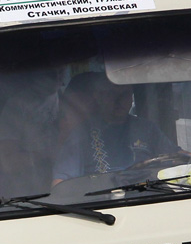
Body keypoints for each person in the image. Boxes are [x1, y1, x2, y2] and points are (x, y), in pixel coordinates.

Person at [51, 70, 182, 184]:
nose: (119, 100)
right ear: (99, 96)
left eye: (125, 94)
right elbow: (61, 182)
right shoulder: (81, 134)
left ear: (131, 97)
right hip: (103, 203)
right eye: (112, 94)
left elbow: (176, 156)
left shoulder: (147, 128)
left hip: (151, 197)